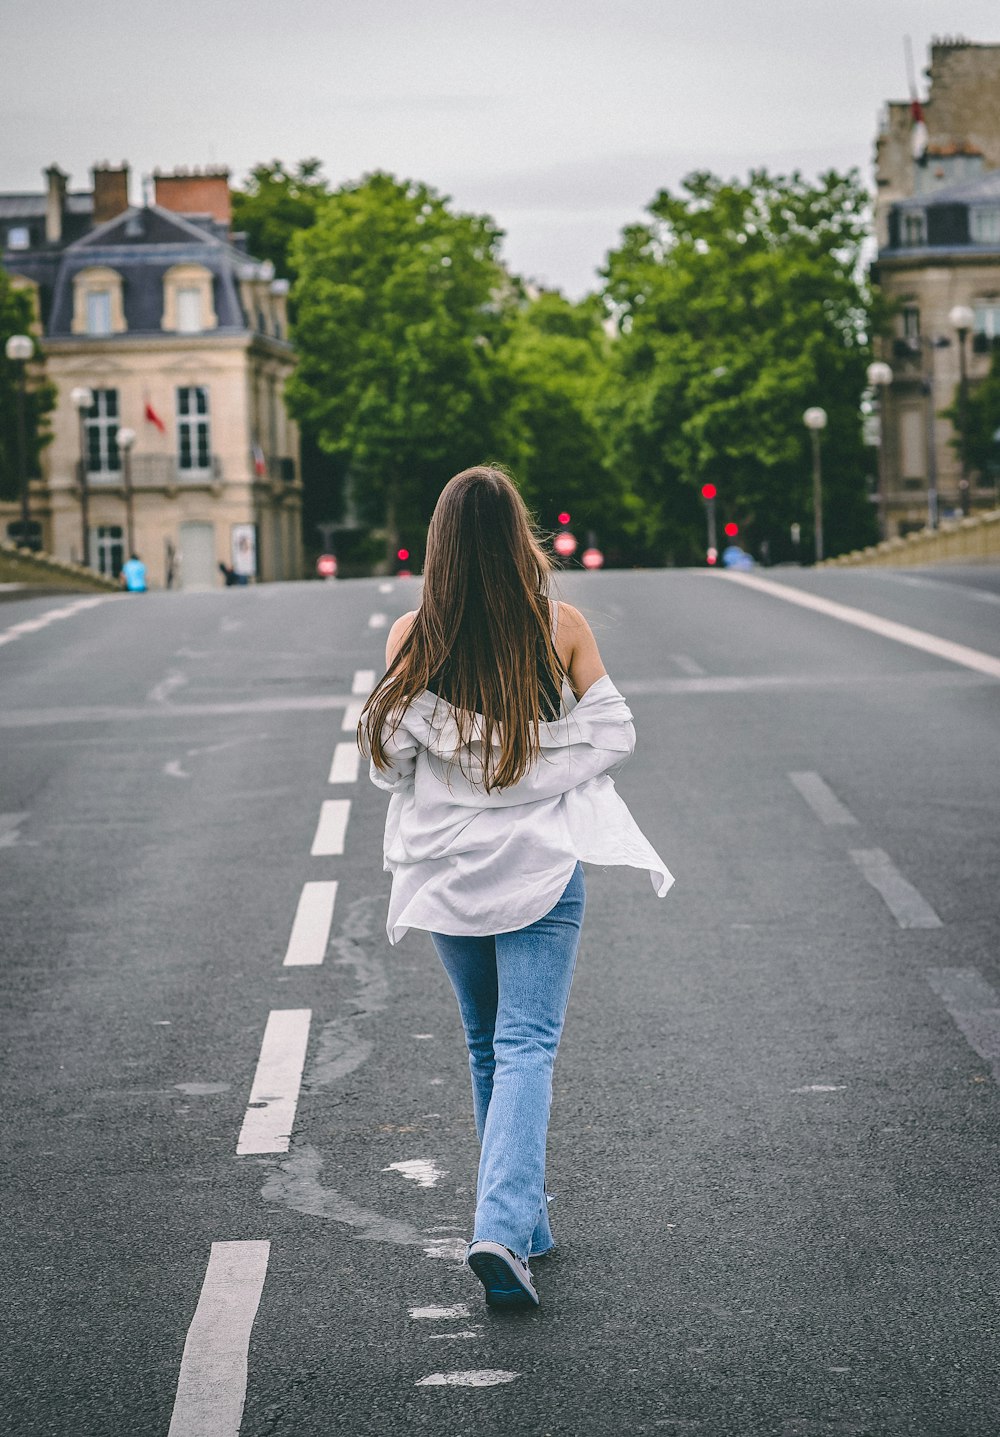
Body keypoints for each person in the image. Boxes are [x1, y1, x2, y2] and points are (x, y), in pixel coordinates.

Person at [360, 466, 673, 1310]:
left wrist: (459, 750)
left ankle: (521, 1222)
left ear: (442, 548)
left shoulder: (410, 637)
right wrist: (529, 764)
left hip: (450, 872)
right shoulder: (558, 626)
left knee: (486, 1041)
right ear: (518, 537)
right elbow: (615, 731)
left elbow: (391, 766)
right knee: (527, 1042)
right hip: (540, 865)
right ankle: (500, 1224)